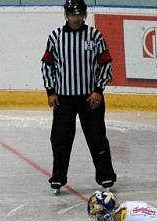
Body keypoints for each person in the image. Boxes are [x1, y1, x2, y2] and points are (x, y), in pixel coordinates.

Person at [41, 0, 115, 195]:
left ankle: (105, 175)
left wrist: (99, 90)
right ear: (66, 15)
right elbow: (47, 65)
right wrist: (51, 92)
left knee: (97, 137)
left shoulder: (95, 36)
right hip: (64, 99)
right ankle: (58, 177)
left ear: (84, 15)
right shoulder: (56, 37)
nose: (75, 18)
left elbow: (105, 64)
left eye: (79, 14)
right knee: (60, 139)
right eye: (72, 14)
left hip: (90, 98)